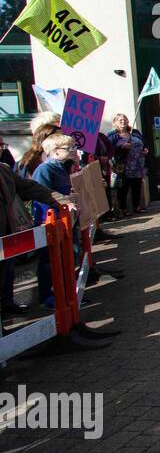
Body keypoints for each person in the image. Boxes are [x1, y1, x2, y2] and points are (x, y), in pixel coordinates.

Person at [0, 157, 75, 323]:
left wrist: (62, 200)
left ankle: (6, 305)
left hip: (6, 235)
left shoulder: (3, 170)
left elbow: (30, 187)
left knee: (6, 272)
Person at [30, 134, 78, 308]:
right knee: (48, 262)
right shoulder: (45, 170)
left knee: (65, 258)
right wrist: (48, 217)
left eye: (73, 147)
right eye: (69, 148)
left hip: (62, 220)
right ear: (55, 152)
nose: (73, 150)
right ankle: (47, 296)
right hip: (49, 221)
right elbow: (41, 195)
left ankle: (66, 293)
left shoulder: (62, 167)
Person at [108, 113, 148, 216]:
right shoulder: (112, 135)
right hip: (123, 166)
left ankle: (137, 206)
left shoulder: (135, 132)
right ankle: (123, 208)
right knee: (123, 187)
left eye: (125, 119)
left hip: (137, 165)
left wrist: (145, 149)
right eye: (120, 120)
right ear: (115, 122)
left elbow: (143, 143)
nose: (123, 121)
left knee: (137, 186)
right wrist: (121, 147)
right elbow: (109, 150)